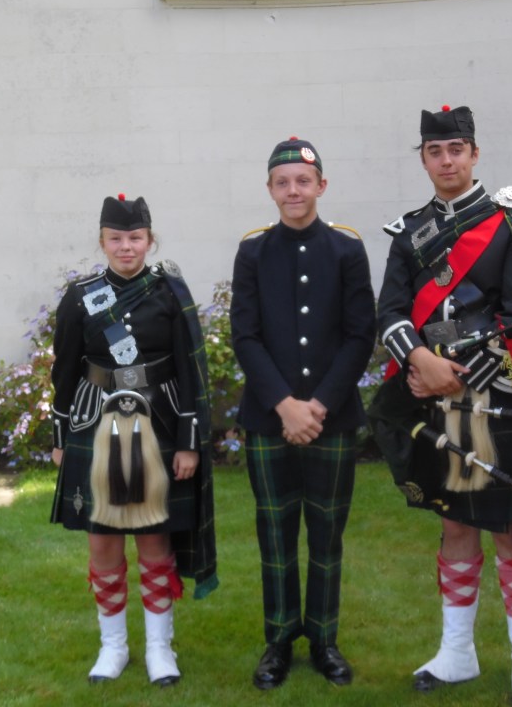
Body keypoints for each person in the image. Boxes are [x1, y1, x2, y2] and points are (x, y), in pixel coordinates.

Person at [370, 105, 512, 707]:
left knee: (509, 527)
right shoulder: (408, 232)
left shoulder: (510, 222)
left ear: (475, 154)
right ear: (424, 158)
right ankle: (457, 654)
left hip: (499, 398)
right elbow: (388, 312)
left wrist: (459, 374)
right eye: (435, 151)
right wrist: (419, 361)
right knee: (454, 521)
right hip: (435, 395)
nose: (447, 161)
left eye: (457, 149)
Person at [49, 193, 217, 687]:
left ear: (150, 239)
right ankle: (113, 647)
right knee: (102, 541)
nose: (127, 247)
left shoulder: (169, 292)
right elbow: (64, 369)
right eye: (117, 239)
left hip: (160, 425)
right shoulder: (80, 296)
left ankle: (160, 649)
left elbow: (191, 371)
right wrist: (60, 437)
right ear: (102, 241)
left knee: (154, 539)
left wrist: (188, 442)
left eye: (136, 238)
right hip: (95, 426)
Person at [230, 137, 376, 690]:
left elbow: (360, 333)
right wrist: (285, 405)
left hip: (331, 418)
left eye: (303, 181)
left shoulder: (345, 249)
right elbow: (244, 334)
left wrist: (317, 406)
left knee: (326, 533)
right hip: (270, 420)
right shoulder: (252, 252)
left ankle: (324, 639)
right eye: (283, 182)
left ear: (321, 186)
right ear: (270, 190)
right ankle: (277, 641)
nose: (294, 190)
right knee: (275, 532)